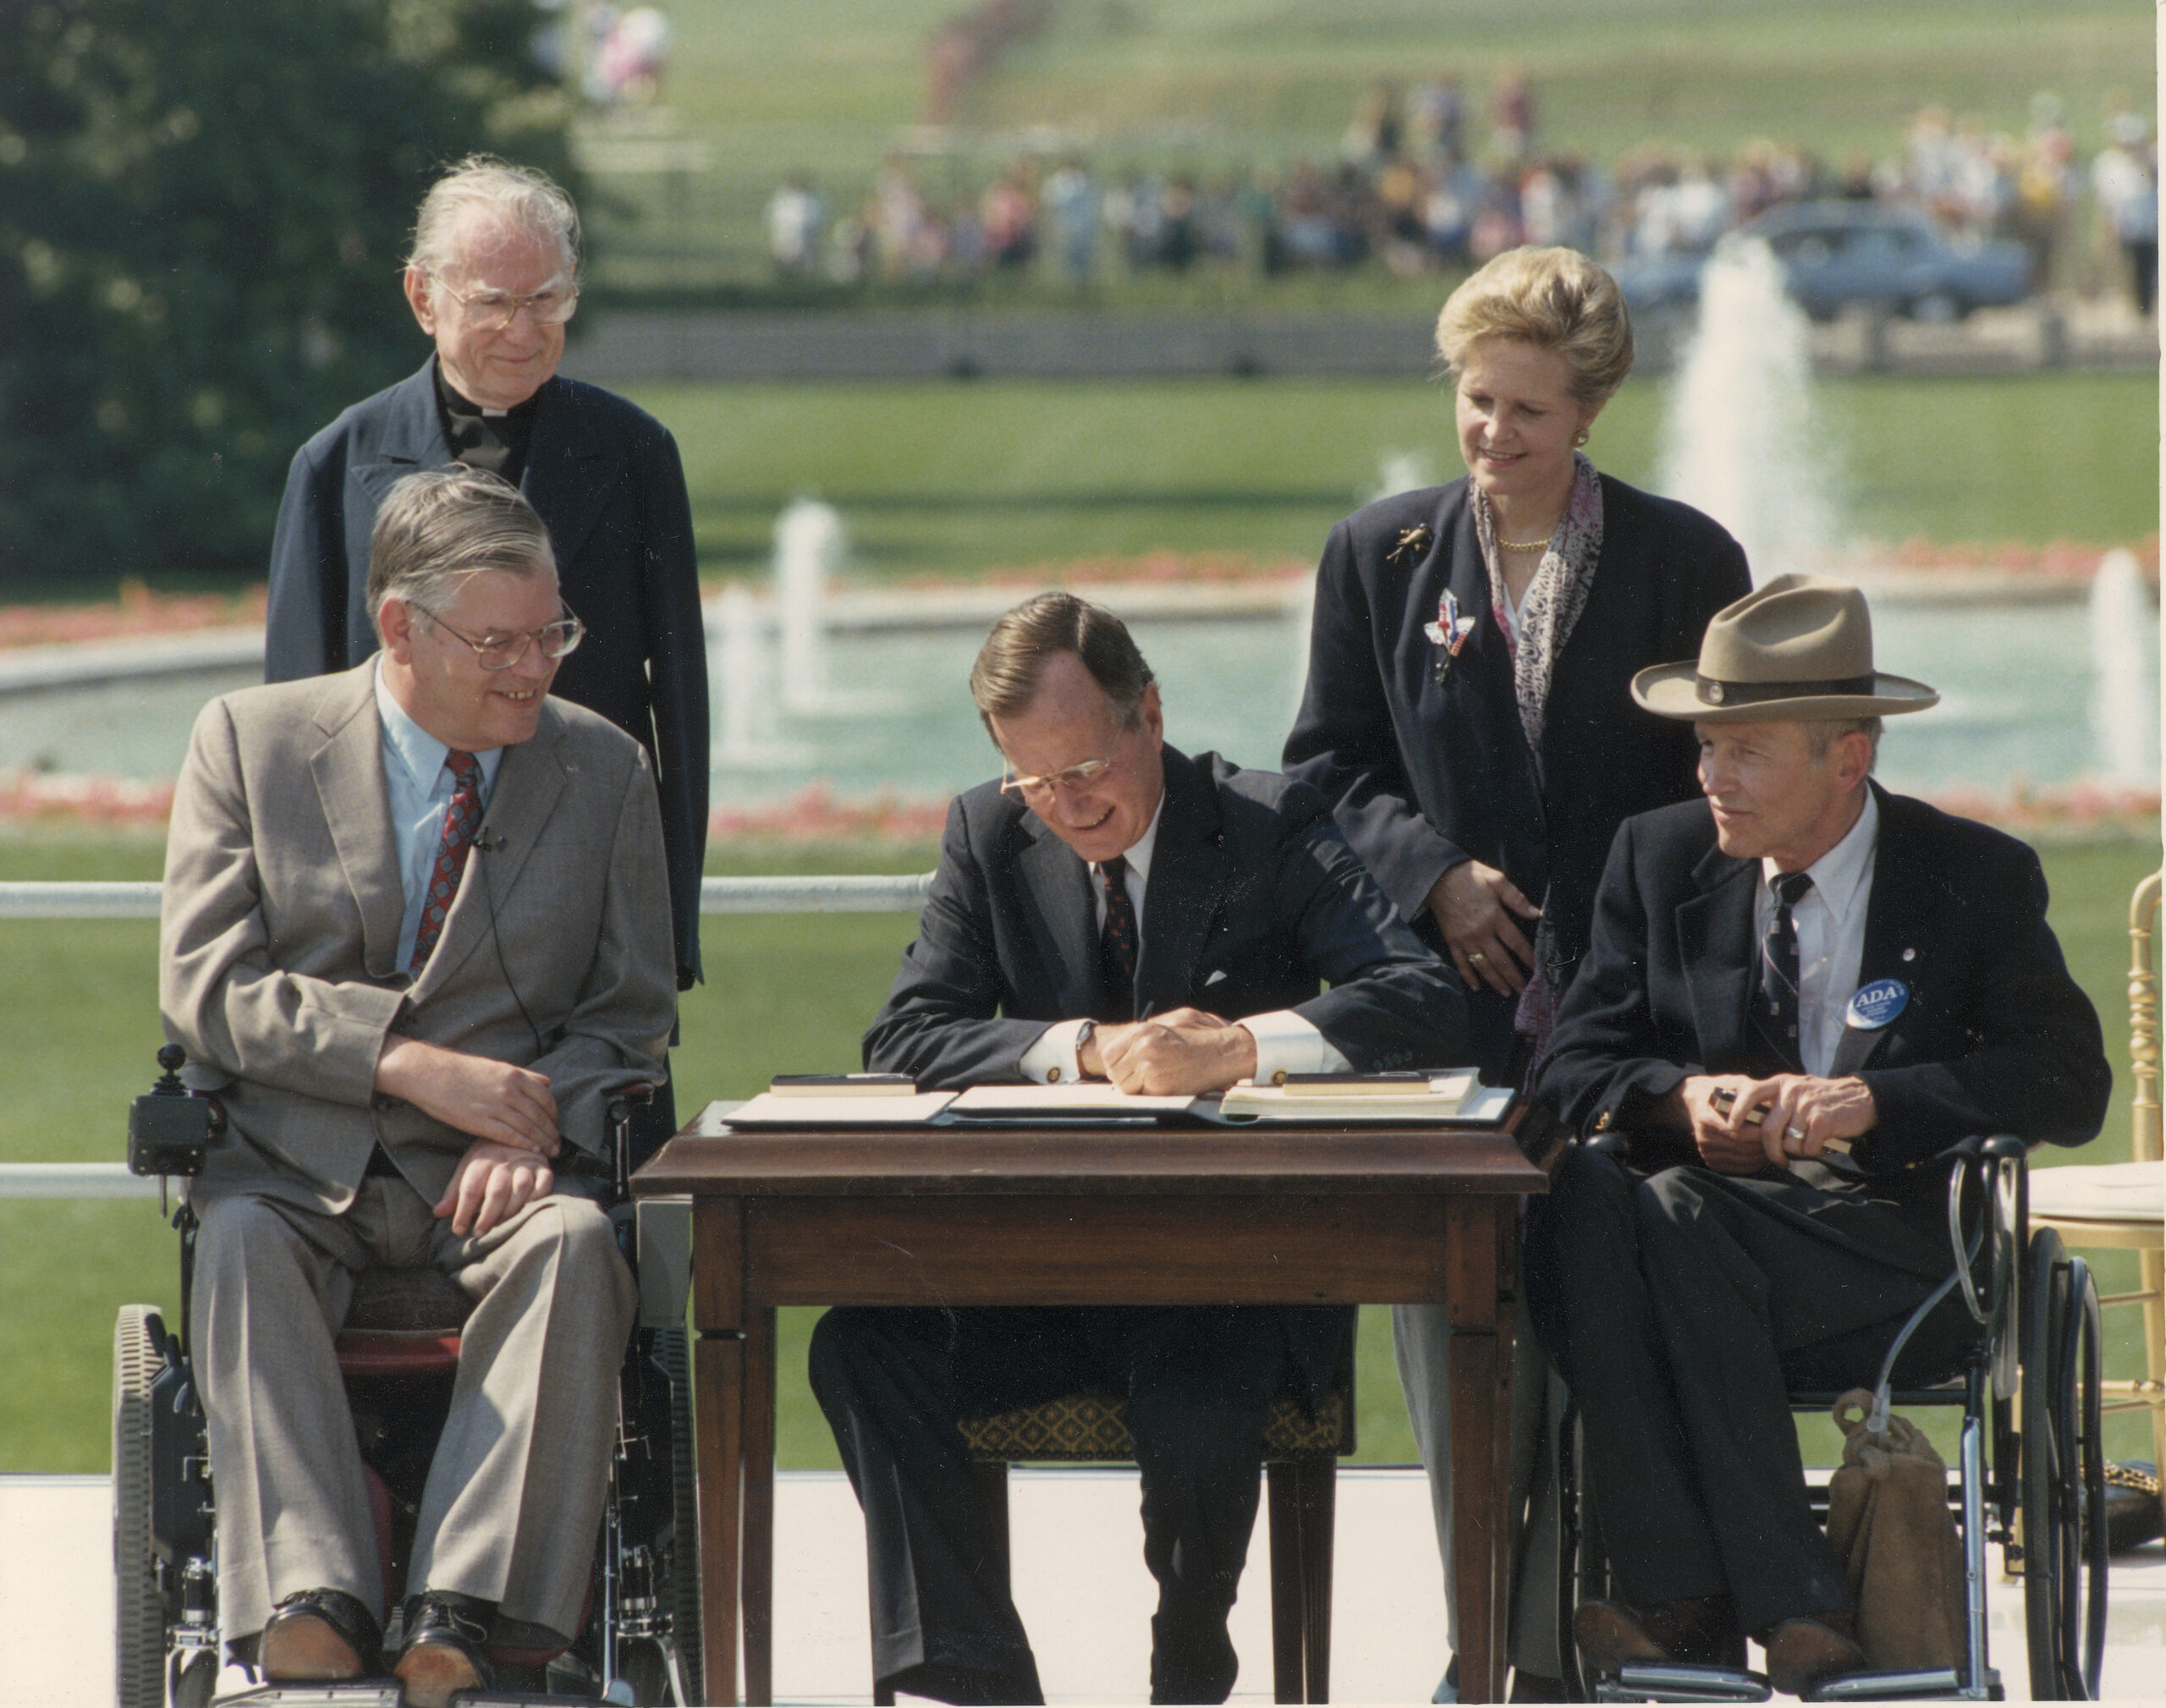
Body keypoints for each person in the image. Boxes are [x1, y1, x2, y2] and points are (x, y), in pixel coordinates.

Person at [811, 592, 1465, 1706]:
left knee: (1202, 1369)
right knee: (862, 1345)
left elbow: (1417, 994)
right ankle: (976, 1678)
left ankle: (1189, 1655)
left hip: (1228, 1283)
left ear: (1148, 711)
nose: (1068, 805)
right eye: (1036, 779)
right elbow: (905, 1035)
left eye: (1087, 766)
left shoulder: (1268, 819)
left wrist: (1245, 1048)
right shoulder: (989, 830)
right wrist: (1083, 1047)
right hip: (1036, 1280)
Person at [1281, 243, 1750, 1698]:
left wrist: (1619, 926)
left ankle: (1632, 1640)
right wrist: (1435, 874)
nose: (1492, 435)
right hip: (1448, 1019)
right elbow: (1322, 768)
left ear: (1589, 410)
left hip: (1635, 1017)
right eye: (1476, 402)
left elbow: (1719, 785)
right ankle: (1491, 1648)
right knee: (1459, 1336)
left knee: (1612, 1308)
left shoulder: (1688, 560)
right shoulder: (1381, 553)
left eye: (1526, 412)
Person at [1526, 575, 2109, 1696]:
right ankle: (1781, 1602)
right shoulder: (1659, 858)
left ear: (1849, 756)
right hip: (1695, 1249)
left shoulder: (1974, 876)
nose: (1709, 776)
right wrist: (1678, 1097)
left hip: (1896, 1249)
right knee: (1586, 1196)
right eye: (1704, 745)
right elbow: (1568, 1067)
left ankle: (1689, 1602)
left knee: (1665, 1213)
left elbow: (2068, 1081)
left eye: (1743, 750)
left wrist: (1880, 1100)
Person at [162, 469, 678, 1705]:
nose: (532, 669)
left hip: (498, 1181)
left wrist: (539, 1119)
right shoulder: (252, 740)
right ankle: (312, 1599)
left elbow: (629, 1015)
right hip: (297, 1166)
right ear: (400, 626)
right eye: (497, 641)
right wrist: (401, 1061)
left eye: (551, 633)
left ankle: (464, 1611)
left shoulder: (602, 770)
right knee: (233, 1239)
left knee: (569, 1244)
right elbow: (208, 985)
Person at [264, 154, 708, 1005]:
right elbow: (293, 726)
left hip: (583, 910)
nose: (523, 329)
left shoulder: (637, 454)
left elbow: (679, 709)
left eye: (546, 299)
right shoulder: (332, 466)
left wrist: (666, 936)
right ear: (423, 297)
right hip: (386, 923)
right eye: (494, 302)